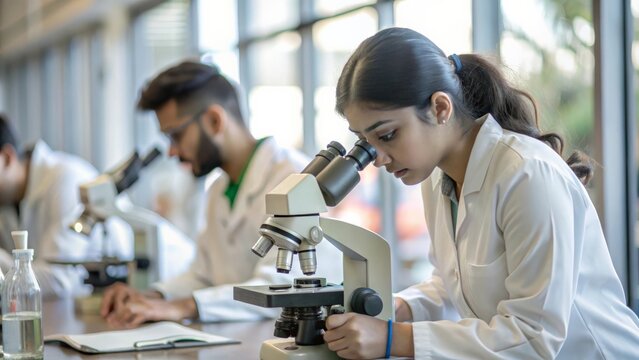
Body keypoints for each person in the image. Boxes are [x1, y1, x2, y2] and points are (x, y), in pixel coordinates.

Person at [323, 27, 639, 359]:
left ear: (440, 108)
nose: (379, 159)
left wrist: (394, 338)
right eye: (365, 143)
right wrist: (399, 309)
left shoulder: (527, 173)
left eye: (387, 135)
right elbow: (453, 284)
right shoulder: (439, 178)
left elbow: (533, 336)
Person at [99, 60, 343, 327]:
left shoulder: (294, 178)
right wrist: (153, 296)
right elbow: (203, 276)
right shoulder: (218, 189)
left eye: (176, 136)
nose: (171, 151)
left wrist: (184, 307)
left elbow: (285, 287)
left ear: (214, 121)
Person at [0, 114, 132, 299]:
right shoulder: (7, 200)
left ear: (6, 158)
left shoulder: (66, 180)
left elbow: (58, 281)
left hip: (158, 284)